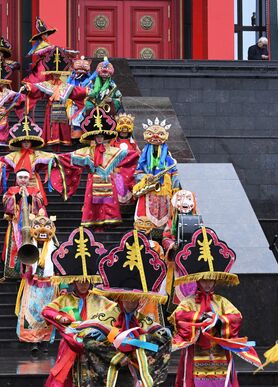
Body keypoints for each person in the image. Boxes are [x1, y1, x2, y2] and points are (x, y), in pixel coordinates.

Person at [170, 226, 262, 386]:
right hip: (197, 351)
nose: (207, 283)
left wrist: (219, 321)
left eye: (210, 280)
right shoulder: (188, 302)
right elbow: (179, 317)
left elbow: (236, 317)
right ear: (198, 280)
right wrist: (200, 319)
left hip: (219, 352)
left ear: (215, 281)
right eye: (204, 280)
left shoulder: (221, 301)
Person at [86, 229, 172, 386]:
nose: (130, 303)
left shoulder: (142, 319)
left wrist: (139, 346)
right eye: (127, 298)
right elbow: (88, 338)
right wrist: (117, 352)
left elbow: (162, 338)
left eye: (134, 300)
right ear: (119, 297)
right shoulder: (107, 316)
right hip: (113, 367)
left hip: (135, 369)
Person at [42, 226, 114, 386]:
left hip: (95, 347)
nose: (82, 284)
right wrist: (61, 317)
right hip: (70, 345)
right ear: (74, 281)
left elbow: (116, 315)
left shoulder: (101, 299)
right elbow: (46, 311)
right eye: (79, 281)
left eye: (85, 281)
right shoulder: (65, 299)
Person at [50, 107, 127, 228]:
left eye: (101, 136)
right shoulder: (87, 151)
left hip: (108, 178)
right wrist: (56, 158)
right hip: (93, 178)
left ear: (105, 136)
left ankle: (110, 219)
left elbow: (128, 156)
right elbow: (71, 156)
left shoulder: (112, 150)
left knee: (110, 202)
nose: (99, 138)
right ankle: (93, 220)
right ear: (94, 137)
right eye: (97, 136)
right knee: (92, 203)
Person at [15, 211, 58, 355]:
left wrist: (63, 287)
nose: (42, 229)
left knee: (48, 314)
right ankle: (32, 342)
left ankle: (45, 343)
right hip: (32, 284)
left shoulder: (55, 249)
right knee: (30, 313)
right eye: (38, 226)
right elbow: (18, 267)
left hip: (49, 286)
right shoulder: (28, 246)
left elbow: (61, 268)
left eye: (46, 226)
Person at [133, 117, 179, 229]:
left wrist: (175, 192)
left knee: (165, 220)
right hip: (149, 189)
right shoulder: (143, 158)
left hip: (165, 191)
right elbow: (137, 175)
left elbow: (175, 177)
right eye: (152, 135)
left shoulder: (169, 159)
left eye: (159, 135)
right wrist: (145, 177)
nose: (155, 137)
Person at [3, 115, 57, 206]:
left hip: (33, 180)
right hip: (20, 179)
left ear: (31, 143)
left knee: (36, 200)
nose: (26, 144)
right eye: (24, 142)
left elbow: (53, 157)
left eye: (28, 142)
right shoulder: (14, 155)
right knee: (19, 199)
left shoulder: (36, 153)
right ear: (21, 143)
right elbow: (2, 161)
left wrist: (54, 161)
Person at [2, 169, 46, 278]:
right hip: (16, 225)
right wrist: (17, 196)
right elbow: (5, 203)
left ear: (29, 179)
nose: (23, 180)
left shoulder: (34, 190)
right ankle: (14, 272)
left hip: (31, 224)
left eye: (25, 178)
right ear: (16, 179)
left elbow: (41, 203)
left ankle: (31, 271)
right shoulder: (11, 190)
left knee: (33, 245)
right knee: (14, 246)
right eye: (20, 177)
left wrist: (30, 197)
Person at [111, 113, 141, 204]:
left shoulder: (133, 143)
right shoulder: (113, 142)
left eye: (126, 131)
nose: (124, 132)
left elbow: (138, 154)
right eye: (122, 131)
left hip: (131, 168)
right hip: (117, 168)